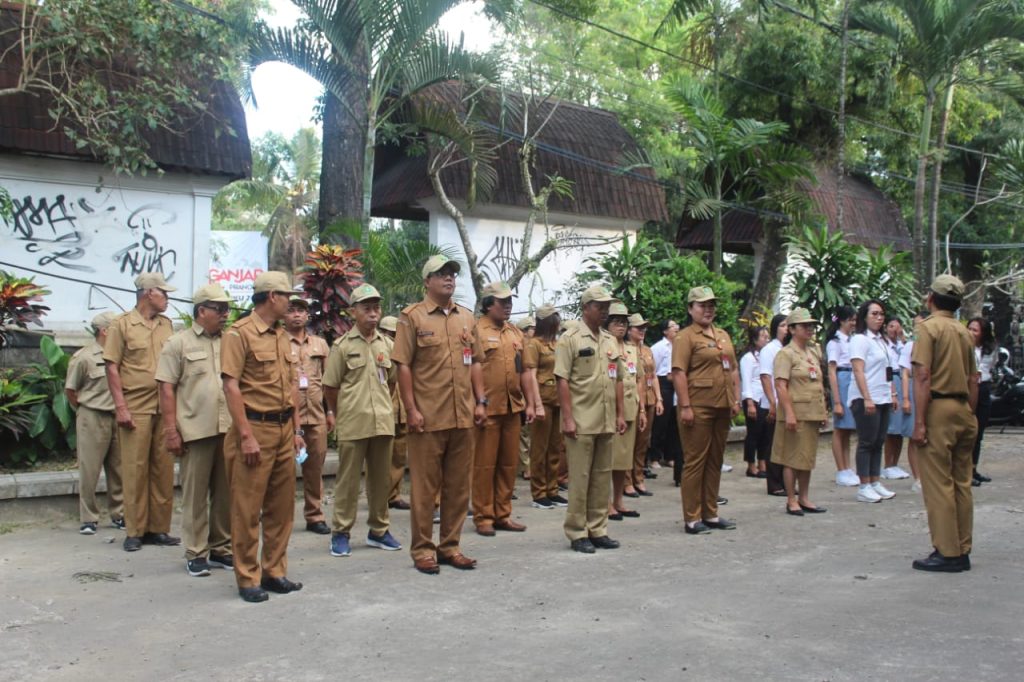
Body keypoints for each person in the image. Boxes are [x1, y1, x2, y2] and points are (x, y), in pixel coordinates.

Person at [392, 255, 486, 575]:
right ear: (427, 281)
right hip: (428, 418)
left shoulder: (467, 318)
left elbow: (475, 361)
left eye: (452, 274)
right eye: (441, 274)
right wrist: (411, 409)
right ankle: (422, 550)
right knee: (424, 489)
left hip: (463, 415)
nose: (449, 278)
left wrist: (481, 401)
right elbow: (403, 365)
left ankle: (450, 546)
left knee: (458, 487)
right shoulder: (412, 317)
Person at [221, 271, 306, 603]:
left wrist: (297, 430)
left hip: (284, 429)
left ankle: (274, 571)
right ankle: (247, 577)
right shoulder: (239, 334)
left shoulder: (282, 335)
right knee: (247, 509)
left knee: (281, 508)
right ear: (272, 297)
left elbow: (292, 385)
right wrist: (245, 436)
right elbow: (231, 386)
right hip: (255, 429)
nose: (291, 304)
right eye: (287, 297)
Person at [155, 283, 234, 578]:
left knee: (226, 495)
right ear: (202, 311)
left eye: (227, 309)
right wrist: (171, 431)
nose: (225, 314)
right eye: (220, 309)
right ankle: (196, 551)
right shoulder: (178, 343)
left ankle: (221, 548)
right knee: (195, 496)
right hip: (195, 430)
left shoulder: (231, 342)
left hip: (228, 428)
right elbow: (166, 388)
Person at [322, 283, 402, 558]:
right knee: (348, 482)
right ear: (353, 312)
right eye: (366, 307)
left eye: (376, 307)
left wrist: (381, 407)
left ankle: (379, 530)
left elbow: (392, 383)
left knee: (381, 481)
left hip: (382, 422)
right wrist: (340, 413)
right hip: (353, 423)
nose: (373, 312)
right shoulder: (342, 346)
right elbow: (330, 387)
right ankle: (341, 532)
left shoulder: (387, 345)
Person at [103, 272, 178, 552]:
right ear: (149, 293)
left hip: (164, 406)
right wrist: (120, 407)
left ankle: (158, 528)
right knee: (135, 469)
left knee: (163, 468)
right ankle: (135, 530)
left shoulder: (166, 325)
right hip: (136, 406)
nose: (167, 298)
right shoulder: (122, 324)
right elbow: (112, 366)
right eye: (163, 293)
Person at [911, 275, 979, 572]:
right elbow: (973, 379)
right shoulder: (964, 332)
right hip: (963, 407)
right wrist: (970, 413)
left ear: (931, 299)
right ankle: (962, 548)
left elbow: (923, 376)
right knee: (962, 483)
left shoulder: (927, 329)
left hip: (938, 408)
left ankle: (947, 552)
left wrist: (919, 422)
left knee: (938, 484)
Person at [555, 284, 625, 554]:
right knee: (580, 478)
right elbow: (562, 379)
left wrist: (620, 414)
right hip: (581, 420)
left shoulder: (609, 340)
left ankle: (598, 529)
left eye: (607, 306)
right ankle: (577, 532)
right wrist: (568, 418)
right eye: (599, 306)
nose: (604, 311)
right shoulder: (570, 338)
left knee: (601, 477)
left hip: (606, 419)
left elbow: (618, 378)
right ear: (585, 308)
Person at [673, 286, 740, 534]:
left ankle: (710, 513)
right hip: (698, 406)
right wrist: (685, 406)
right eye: (702, 305)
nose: (708, 310)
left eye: (711, 305)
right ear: (690, 309)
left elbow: (733, 368)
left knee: (715, 460)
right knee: (695, 461)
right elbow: (678, 372)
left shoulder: (722, 335)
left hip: (722, 404)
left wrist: (736, 399)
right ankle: (692, 517)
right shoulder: (686, 337)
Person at [472, 280, 532, 536]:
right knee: (484, 466)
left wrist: (531, 403)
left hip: (512, 407)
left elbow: (525, 369)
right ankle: (483, 516)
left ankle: (503, 514)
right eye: (502, 301)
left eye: (510, 301)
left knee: (509, 465)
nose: (508, 306)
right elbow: (470, 369)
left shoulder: (515, 333)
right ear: (488, 305)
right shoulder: (476, 330)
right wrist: (479, 402)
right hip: (488, 408)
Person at [65, 311, 124, 535]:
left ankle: (119, 514)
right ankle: (89, 518)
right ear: (104, 331)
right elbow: (71, 390)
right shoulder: (84, 357)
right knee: (89, 469)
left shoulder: (121, 355)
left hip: (118, 416)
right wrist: (84, 409)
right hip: (92, 415)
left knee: (119, 469)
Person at [283, 295, 334, 535]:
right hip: (286, 418)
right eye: (291, 310)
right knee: (283, 470)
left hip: (315, 416)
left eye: (301, 310)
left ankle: (315, 516)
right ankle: (279, 517)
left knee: (314, 469)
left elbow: (328, 382)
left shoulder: (320, 345)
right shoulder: (279, 342)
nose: (296, 314)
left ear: (307, 315)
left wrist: (330, 411)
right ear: (283, 315)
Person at [771, 309, 829, 516]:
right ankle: (791, 499)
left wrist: (823, 411)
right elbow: (781, 386)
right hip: (795, 413)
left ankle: (804, 497)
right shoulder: (786, 354)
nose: (809, 329)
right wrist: (789, 414)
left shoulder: (812, 352)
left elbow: (819, 384)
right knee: (792, 458)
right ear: (793, 329)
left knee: (807, 458)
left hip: (812, 412)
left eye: (811, 325)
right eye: (805, 326)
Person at [848, 300, 896, 503]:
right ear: (864, 317)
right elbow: (858, 370)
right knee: (866, 442)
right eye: (874, 314)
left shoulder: (881, 341)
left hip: (883, 396)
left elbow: (887, 370)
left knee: (878, 441)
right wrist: (867, 398)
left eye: (881, 314)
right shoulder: (860, 339)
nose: (879, 318)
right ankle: (864, 485)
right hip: (866, 397)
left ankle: (875, 481)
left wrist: (893, 394)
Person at [524, 304, 568, 509]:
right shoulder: (534, 344)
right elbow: (531, 376)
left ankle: (553, 489)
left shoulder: (557, 344)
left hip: (557, 399)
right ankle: (539, 492)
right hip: (543, 399)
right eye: (554, 319)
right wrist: (537, 404)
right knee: (539, 449)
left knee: (555, 448)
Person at [605, 302, 645, 520]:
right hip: (609, 409)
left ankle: (618, 501)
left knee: (623, 460)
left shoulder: (632, 349)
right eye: (616, 322)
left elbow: (639, 379)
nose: (621, 326)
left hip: (630, 408)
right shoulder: (604, 345)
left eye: (623, 322)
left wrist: (642, 410)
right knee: (607, 459)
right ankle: (605, 503)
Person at [825, 306, 859, 487]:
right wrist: (837, 401)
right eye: (851, 320)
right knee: (840, 428)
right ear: (842, 321)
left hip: (851, 380)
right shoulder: (835, 342)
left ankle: (847, 467)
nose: (854, 323)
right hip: (842, 380)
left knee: (847, 429)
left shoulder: (852, 340)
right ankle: (841, 469)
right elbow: (832, 371)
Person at [379, 316, 411, 510]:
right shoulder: (379, 350)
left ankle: (394, 495)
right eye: (391, 334)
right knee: (381, 457)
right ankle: (380, 495)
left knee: (399, 457)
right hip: (385, 410)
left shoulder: (405, 350)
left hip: (403, 411)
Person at [629, 313, 660, 496]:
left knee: (643, 442)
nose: (642, 331)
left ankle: (638, 477)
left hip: (649, 399)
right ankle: (627, 481)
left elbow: (653, 376)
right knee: (630, 443)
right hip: (633, 400)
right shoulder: (626, 350)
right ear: (629, 330)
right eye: (638, 328)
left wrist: (659, 398)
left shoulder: (647, 350)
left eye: (644, 328)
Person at [758, 313, 789, 497]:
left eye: (788, 325)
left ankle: (787, 482)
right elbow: (765, 376)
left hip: (789, 404)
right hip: (774, 404)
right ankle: (775, 484)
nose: (786, 329)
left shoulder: (791, 349)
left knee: (787, 446)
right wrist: (772, 403)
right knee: (773, 445)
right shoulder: (769, 349)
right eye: (783, 325)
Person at [968, 316, 997, 486]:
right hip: (968, 387)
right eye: (970, 329)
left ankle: (973, 468)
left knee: (978, 432)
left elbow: (990, 366)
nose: (971, 332)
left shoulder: (989, 349)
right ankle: (964, 470)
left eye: (975, 330)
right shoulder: (963, 347)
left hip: (983, 387)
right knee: (968, 431)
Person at [899, 313, 926, 492]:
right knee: (914, 435)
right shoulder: (910, 346)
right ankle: (918, 478)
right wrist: (906, 399)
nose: (918, 328)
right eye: (915, 325)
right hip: (914, 389)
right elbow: (904, 373)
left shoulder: (934, 345)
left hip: (930, 392)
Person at [882, 316, 911, 480]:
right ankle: (887, 464)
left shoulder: (901, 345)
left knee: (900, 427)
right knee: (891, 428)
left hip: (902, 379)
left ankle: (895, 463)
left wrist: (902, 338)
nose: (894, 330)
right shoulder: (883, 345)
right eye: (892, 326)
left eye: (898, 327)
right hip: (890, 379)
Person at [739, 325, 769, 479]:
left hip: (765, 399)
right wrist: (749, 403)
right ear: (755, 339)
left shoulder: (765, 356)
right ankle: (751, 465)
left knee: (765, 433)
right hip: (753, 399)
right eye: (763, 336)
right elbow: (746, 381)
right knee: (753, 433)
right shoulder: (748, 358)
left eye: (767, 336)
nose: (766, 339)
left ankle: (762, 463)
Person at [650, 319, 680, 472]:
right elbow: (652, 370)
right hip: (663, 385)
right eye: (672, 326)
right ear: (665, 331)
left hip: (676, 385)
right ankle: (654, 457)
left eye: (677, 325)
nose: (676, 328)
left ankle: (670, 456)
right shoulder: (658, 347)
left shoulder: (679, 346)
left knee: (674, 422)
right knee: (661, 422)